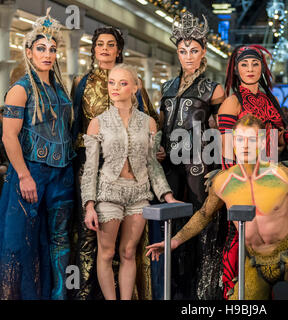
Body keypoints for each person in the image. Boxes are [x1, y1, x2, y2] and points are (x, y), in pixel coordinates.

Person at [146, 114, 288, 300]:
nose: (245, 145)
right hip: (254, 262)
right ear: (233, 142)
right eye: (240, 139)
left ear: (263, 142)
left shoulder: (283, 175)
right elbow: (204, 215)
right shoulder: (222, 182)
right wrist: (174, 241)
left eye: (251, 139)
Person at [217, 44, 288, 298]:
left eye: (255, 64)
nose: (250, 69)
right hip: (243, 179)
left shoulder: (270, 100)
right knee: (238, 238)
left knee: (265, 244)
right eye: (244, 65)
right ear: (236, 70)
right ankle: (232, 293)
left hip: (270, 179)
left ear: (263, 68)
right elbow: (227, 151)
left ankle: (260, 296)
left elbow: (280, 141)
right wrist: (237, 187)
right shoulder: (231, 101)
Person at [70, 26, 157, 300]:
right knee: (89, 237)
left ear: (118, 49)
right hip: (90, 166)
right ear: (94, 49)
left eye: (110, 44)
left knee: (128, 247)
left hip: (131, 177)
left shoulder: (131, 80)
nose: (105, 49)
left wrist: (153, 147)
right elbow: (72, 125)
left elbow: (150, 116)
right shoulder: (81, 82)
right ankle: (88, 295)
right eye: (99, 44)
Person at [81, 64, 179, 300]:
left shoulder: (149, 123)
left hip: (138, 193)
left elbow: (152, 165)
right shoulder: (98, 122)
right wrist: (89, 205)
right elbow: (90, 168)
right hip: (108, 192)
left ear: (136, 87)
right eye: (111, 82)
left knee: (128, 252)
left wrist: (167, 195)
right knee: (106, 253)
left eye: (123, 83)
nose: (115, 87)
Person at [0, 9, 74, 299]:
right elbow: (8, 136)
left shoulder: (59, 87)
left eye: (52, 49)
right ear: (29, 52)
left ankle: (58, 295)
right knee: (20, 241)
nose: (47, 54)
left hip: (62, 174)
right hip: (31, 172)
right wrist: (23, 175)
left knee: (59, 238)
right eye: (41, 48)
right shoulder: (19, 90)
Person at [157, 11, 226, 300]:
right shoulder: (167, 87)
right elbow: (162, 125)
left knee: (204, 221)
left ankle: (204, 291)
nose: (188, 56)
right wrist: (159, 145)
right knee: (171, 221)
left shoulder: (213, 88)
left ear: (203, 53)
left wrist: (221, 165)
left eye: (194, 50)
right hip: (170, 164)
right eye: (183, 50)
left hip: (200, 161)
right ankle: (174, 288)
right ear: (177, 52)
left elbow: (222, 131)